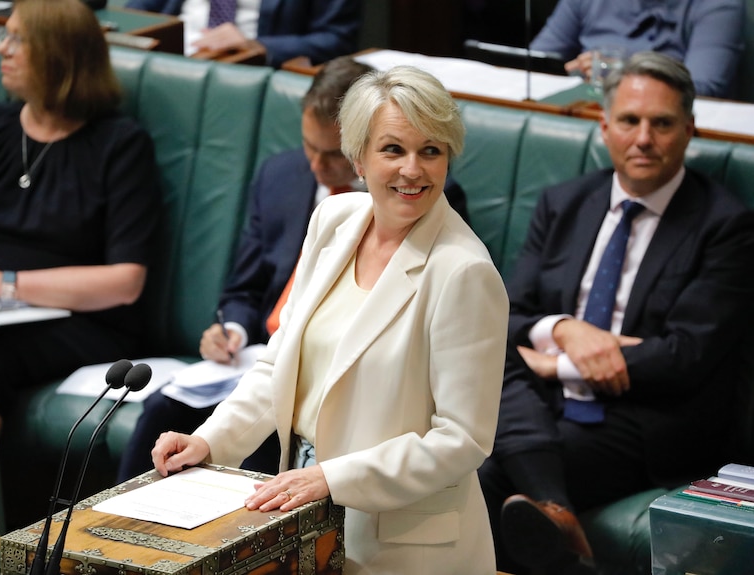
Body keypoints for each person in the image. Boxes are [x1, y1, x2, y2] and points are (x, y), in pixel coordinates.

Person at [149, 66, 508, 573]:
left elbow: (461, 439)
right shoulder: (333, 221)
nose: (413, 169)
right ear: (357, 157)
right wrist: (210, 440)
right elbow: (278, 366)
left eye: (431, 150)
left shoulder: (464, 271)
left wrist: (333, 478)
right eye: (392, 150)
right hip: (298, 512)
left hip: (402, 544)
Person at [116, 56, 471, 482]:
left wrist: (328, 477)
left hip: (344, 434)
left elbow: (460, 434)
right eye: (310, 148)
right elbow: (252, 305)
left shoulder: (434, 223)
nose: (317, 166)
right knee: (164, 416)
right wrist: (233, 331)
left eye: (332, 154)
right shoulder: (313, 201)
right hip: (258, 363)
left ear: (355, 149)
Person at [478, 51, 754, 574]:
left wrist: (555, 361)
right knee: (488, 374)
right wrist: (565, 328)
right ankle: (560, 524)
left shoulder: (726, 226)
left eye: (662, 123)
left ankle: (555, 529)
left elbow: (683, 358)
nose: (644, 138)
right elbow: (507, 314)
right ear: (605, 127)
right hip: (539, 403)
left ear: (689, 130)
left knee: (489, 473)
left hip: (645, 419)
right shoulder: (564, 203)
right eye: (629, 121)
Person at [0, 0, 161, 507]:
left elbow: (125, 280)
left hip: (77, 321)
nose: (2, 48)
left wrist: (4, 282)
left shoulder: (120, 144)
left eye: (17, 38)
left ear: (60, 55)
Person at [529, 0, 744, 98]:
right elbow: (534, 62)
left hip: (658, 127)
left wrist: (621, 71)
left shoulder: (720, 6)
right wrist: (569, 69)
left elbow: (703, 88)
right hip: (581, 111)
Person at [124, 0, 362, 68]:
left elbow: (337, 39)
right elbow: (136, 10)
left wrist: (260, 46)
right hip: (168, 55)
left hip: (250, 67)